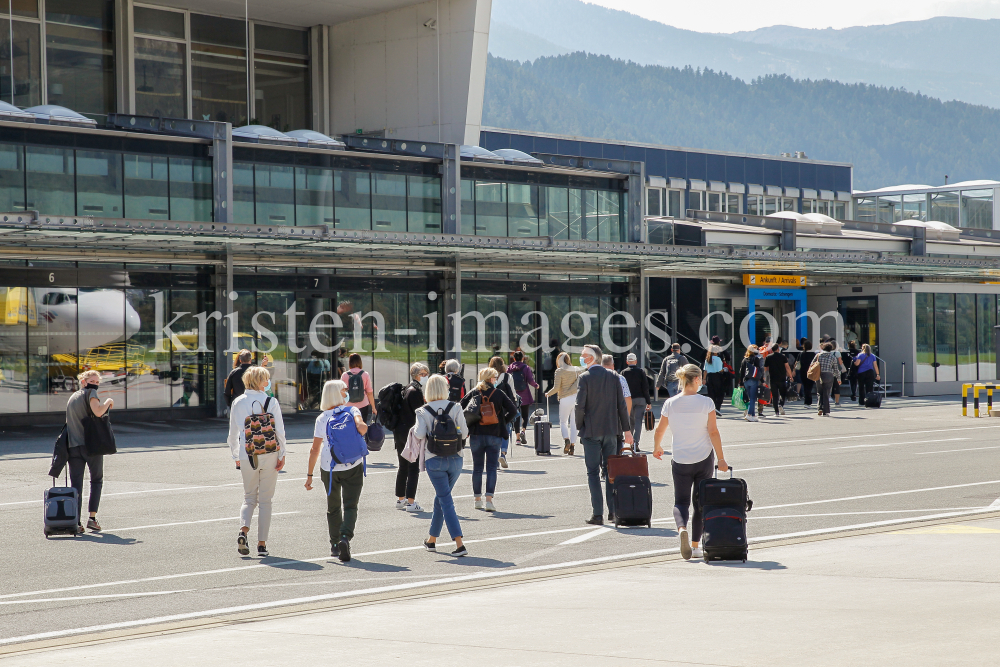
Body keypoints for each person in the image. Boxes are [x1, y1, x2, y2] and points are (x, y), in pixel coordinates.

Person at [653, 364, 729, 561]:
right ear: (696, 380)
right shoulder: (707, 402)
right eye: (701, 378)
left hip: (680, 458)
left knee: (681, 502)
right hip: (703, 458)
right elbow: (713, 432)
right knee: (700, 503)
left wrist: (657, 447)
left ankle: (681, 529)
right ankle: (695, 546)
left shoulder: (670, 403)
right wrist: (721, 459)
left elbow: (660, 429)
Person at [305, 380, 368, 562]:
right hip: (353, 464)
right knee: (350, 505)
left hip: (329, 467)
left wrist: (309, 475)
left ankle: (334, 545)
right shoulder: (352, 410)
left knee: (333, 507)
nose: (347, 392)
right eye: (345, 390)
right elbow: (361, 427)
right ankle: (345, 537)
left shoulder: (322, 418)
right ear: (338, 393)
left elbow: (314, 449)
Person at [227, 365, 287, 557]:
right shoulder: (271, 401)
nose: (267, 382)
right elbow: (280, 431)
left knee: (249, 497)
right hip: (269, 452)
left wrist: (236, 456)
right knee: (266, 500)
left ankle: (243, 531)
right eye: (266, 379)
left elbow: (232, 434)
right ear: (261, 382)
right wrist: (282, 453)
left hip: (247, 454)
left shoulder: (238, 402)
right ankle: (262, 545)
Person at [575, 344, 633, 525]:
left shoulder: (584, 378)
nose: (582, 358)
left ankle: (597, 514)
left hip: (591, 431)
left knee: (593, 472)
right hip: (612, 430)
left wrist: (580, 427)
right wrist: (627, 430)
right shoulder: (614, 376)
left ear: (592, 357)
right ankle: (613, 512)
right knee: (610, 472)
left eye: (584, 355)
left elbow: (579, 406)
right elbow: (622, 406)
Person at [414, 374, 470, 557]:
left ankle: (459, 544)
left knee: (445, 500)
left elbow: (420, 434)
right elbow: (465, 432)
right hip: (456, 459)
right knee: (442, 497)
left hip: (434, 460)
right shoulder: (456, 407)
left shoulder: (422, 411)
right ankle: (431, 540)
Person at [461, 368, 516, 512]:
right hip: (494, 434)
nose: (496, 379)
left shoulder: (474, 392)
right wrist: (502, 421)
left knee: (477, 468)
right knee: (492, 468)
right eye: (495, 377)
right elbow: (514, 410)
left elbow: (460, 407)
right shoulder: (498, 393)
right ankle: (489, 501)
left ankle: (477, 500)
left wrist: (469, 423)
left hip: (476, 434)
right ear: (491, 379)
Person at [64, 370, 112, 533]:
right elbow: (98, 411)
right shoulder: (91, 393)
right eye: (93, 380)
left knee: (76, 485)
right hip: (92, 446)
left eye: (98, 382)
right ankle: (92, 518)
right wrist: (108, 402)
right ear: (83, 381)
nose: (95, 384)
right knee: (96, 480)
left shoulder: (72, 398)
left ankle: (75, 522)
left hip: (73, 446)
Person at [393, 363, 429, 512]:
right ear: (416, 374)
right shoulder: (415, 391)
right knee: (413, 467)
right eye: (423, 373)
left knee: (403, 466)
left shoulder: (407, 388)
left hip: (400, 432)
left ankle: (401, 499)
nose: (426, 376)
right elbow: (419, 413)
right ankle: (411, 502)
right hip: (411, 433)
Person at [545, 352, 582, 455]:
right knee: (574, 423)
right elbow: (579, 383)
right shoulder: (575, 369)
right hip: (575, 398)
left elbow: (556, 388)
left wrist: (548, 393)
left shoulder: (559, 371)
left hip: (565, 399)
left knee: (563, 422)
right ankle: (573, 447)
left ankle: (567, 440)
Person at [490, 356, 518, 467]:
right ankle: (503, 453)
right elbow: (513, 393)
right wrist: (515, 403)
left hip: (491, 409)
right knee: (506, 430)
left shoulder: (489, 376)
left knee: (493, 433)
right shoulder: (507, 376)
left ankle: (495, 458)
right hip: (505, 408)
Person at [507, 350, 538, 445]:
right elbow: (530, 380)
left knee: (516, 416)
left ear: (514, 358)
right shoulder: (526, 367)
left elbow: (507, 380)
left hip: (514, 395)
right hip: (524, 394)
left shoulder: (510, 368)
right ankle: (523, 431)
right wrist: (536, 385)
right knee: (525, 415)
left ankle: (517, 439)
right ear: (523, 358)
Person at [622, 353, 651, 447]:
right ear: (636, 361)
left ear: (627, 362)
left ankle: (630, 441)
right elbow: (645, 387)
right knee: (638, 421)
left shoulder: (623, 372)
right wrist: (648, 402)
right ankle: (636, 442)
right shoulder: (641, 371)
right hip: (641, 399)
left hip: (628, 400)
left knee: (630, 421)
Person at [341, 353, 377, 422]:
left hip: (348, 406)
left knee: (349, 426)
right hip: (363, 405)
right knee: (362, 427)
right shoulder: (365, 374)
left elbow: (342, 392)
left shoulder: (345, 375)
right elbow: (369, 392)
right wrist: (373, 407)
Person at [816, 342, 847, 416]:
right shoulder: (832, 357)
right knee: (826, 393)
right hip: (829, 375)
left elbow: (812, 364)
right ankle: (826, 411)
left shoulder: (818, 355)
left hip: (819, 375)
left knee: (820, 392)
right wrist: (838, 378)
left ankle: (820, 408)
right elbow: (836, 369)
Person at [764, 343, 793, 416]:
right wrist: (790, 375)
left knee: (774, 395)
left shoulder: (768, 357)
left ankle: (776, 412)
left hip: (773, 378)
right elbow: (787, 367)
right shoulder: (782, 356)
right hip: (782, 378)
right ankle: (781, 404)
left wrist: (765, 377)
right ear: (778, 349)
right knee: (783, 393)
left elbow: (765, 368)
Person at [738, 345, 764, 422]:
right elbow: (759, 371)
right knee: (753, 398)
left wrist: (741, 383)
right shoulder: (756, 359)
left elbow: (741, 372)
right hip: (753, 380)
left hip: (746, 381)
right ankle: (749, 414)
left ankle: (753, 415)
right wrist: (762, 381)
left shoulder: (744, 360)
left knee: (750, 399)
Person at [702, 336, 726, 416]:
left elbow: (705, 370)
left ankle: (711, 408)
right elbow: (720, 370)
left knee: (711, 394)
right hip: (717, 377)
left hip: (709, 377)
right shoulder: (718, 359)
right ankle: (717, 408)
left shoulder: (707, 359)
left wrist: (704, 379)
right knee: (719, 393)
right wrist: (725, 369)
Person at [798, 340, 816, 406]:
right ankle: (809, 401)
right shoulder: (813, 354)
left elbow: (797, 362)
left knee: (805, 386)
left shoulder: (801, 354)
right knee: (810, 387)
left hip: (803, 371)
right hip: (811, 371)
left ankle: (807, 401)